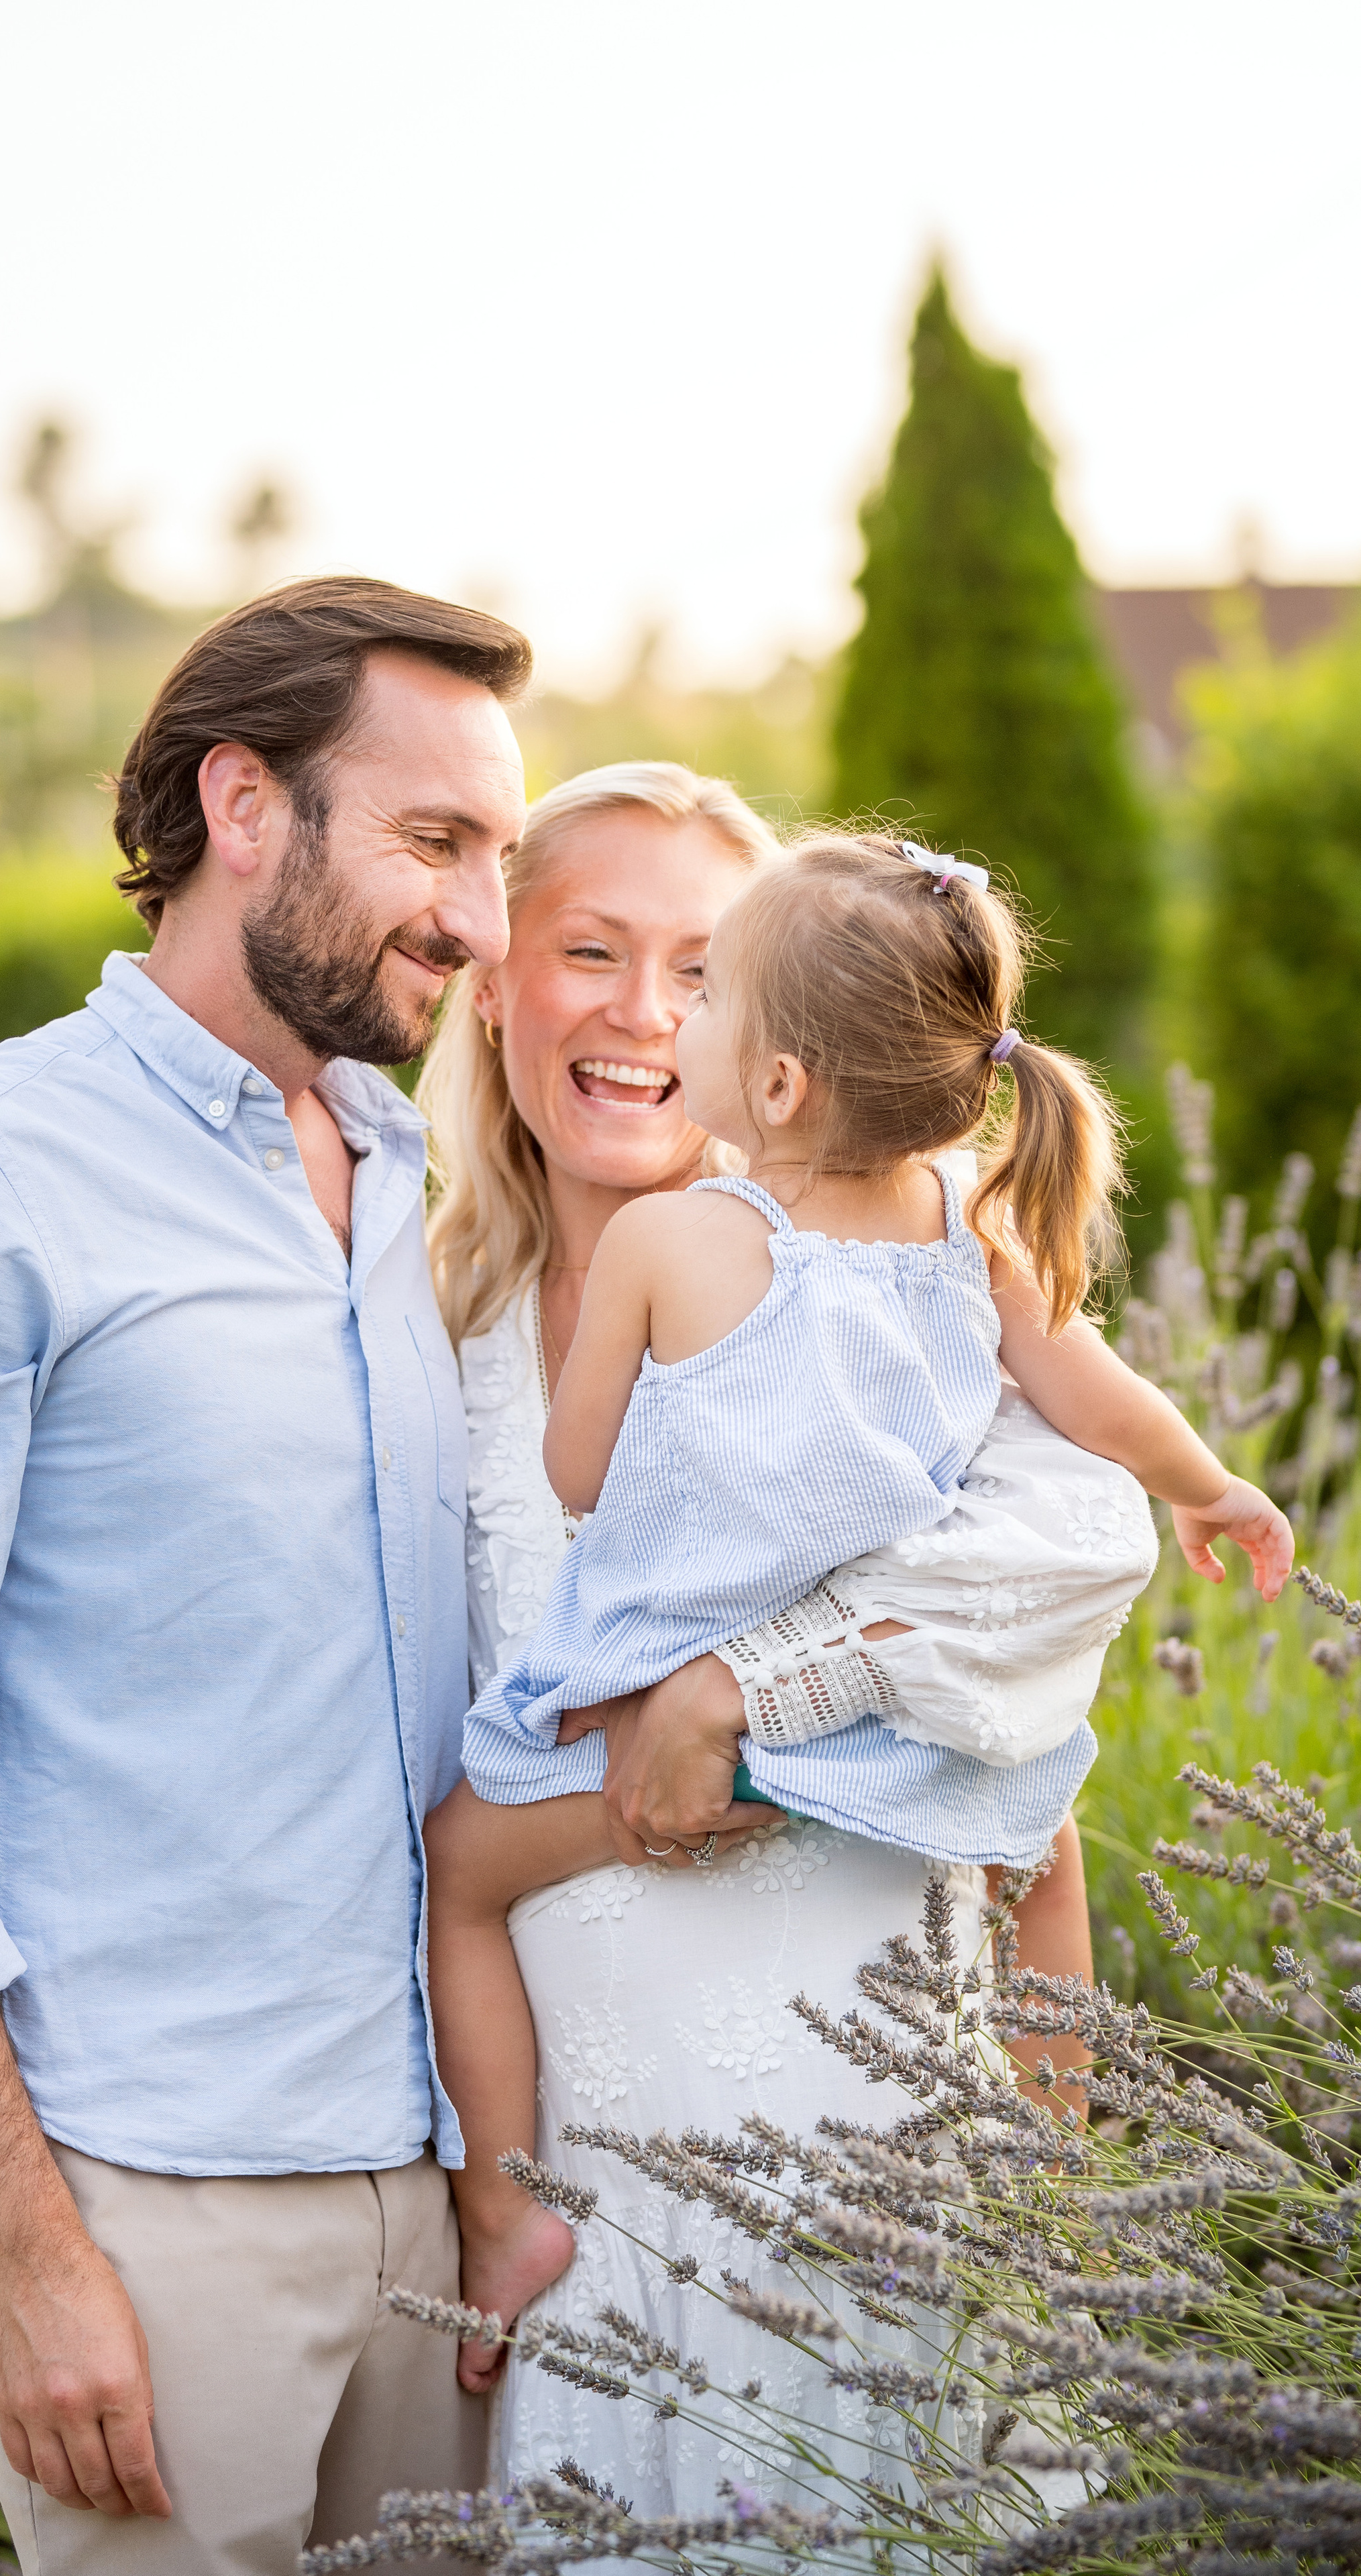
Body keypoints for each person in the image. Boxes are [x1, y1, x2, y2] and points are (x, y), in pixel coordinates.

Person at [418, 799, 1289, 2508]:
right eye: (594, 953)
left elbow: (1017, 1753)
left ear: (779, 1071)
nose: (658, 1015)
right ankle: (504, 2213)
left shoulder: (712, 1257)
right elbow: (1111, 1426)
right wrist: (1213, 1480)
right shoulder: (410, 1329)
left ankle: (505, 2209)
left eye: (704, 974)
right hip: (618, 2182)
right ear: (492, 986)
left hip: (884, 2104)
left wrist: (737, 1699)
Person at [0, 576, 531, 2576]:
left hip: (437, 2181)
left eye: (500, 853)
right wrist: (27, 2250)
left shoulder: (410, 1180)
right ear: (245, 806)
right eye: (436, 841)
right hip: (147, 2190)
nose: (477, 919)